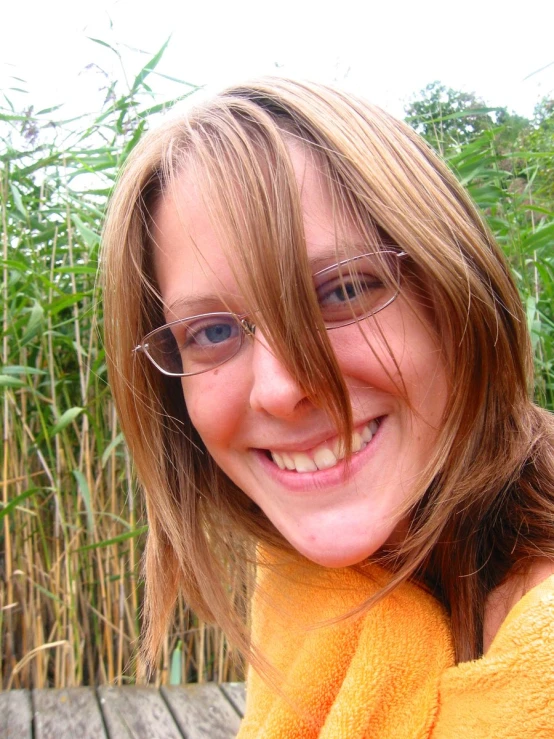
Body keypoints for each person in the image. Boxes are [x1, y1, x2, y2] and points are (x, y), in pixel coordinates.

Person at [102, 78, 554, 737]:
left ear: (456, 289)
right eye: (214, 332)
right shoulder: (304, 578)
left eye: (341, 289)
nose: (281, 388)